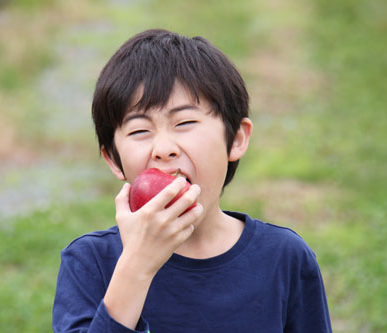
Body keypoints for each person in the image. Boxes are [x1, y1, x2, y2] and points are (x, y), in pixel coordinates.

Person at [52, 29, 332, 332]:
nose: (163, 149)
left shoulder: (284, 258)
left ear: (236, 139)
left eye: (184, 123)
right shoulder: (90, 262)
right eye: (139, 131)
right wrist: (136, 267)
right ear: (113, 159)